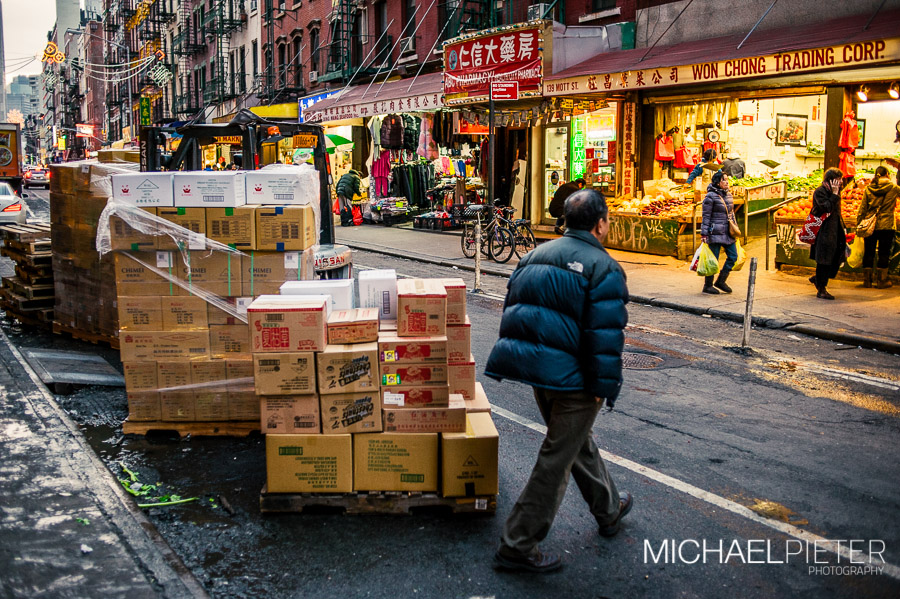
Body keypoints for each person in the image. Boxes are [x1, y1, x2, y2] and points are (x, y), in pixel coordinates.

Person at [485, 189, 632, 573]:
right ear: (600, 224)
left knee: (574, 445)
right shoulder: (604, 268)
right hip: (575, 381)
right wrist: (602, 390)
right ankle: (517, 543)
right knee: (557, 458)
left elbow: (516, 311)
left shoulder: (534, 256)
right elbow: (605, 338)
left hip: (540, 375)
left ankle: (609, 509)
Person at [808, 168, 848, 300]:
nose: (841, 182)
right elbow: (826, 207)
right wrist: (835, 195)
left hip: (835, 230)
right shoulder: (821, 192)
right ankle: (821, 288)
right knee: (824, 259)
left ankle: (819, 279)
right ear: (831, 180)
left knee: (836, 257)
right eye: (839, 179)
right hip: (824, 231)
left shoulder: (835, 192)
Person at [857, 166, 898, 288]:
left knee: (869, 251)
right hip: (887, 225)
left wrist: (859, 223)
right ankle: (881, 281)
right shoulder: (893, 188)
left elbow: (862, 208)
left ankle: (867, 280)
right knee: (884, 252)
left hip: (870, 225)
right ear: (887, 174)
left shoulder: (869, 189)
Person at [699, 170, 738, 294]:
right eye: (723, 180)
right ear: (717, 182)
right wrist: (704, 233)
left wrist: (735, 229)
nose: (726, 182)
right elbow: (706, 216)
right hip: (714, 231)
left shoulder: (729, 195)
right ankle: (708, 285)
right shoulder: (710, 196)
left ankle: (721, 281)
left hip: (727, 232)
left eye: (727, 179)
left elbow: (731, 214)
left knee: (733, 256)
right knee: (712, 259)